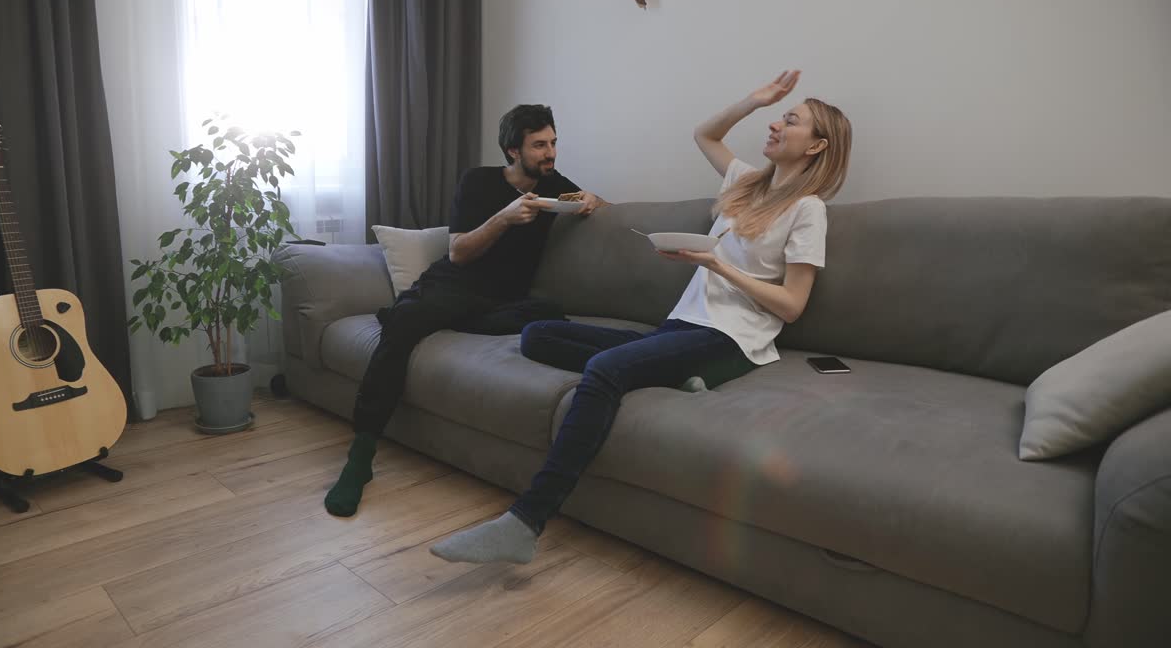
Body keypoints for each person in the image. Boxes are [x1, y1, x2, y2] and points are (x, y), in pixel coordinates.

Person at [429, 69, 851, 564]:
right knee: (537, 334)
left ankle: (524, 522)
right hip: (683, 326)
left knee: (605, 370)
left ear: (816, 146)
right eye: (779, 116)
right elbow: (705, 134)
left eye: (791, 120)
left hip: (731, 337)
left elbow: (792, 305)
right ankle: (678, 376)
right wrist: (754, 100)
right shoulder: (746, 183)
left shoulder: (807, 210)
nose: (777, 124)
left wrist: (717, 264)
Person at [324, 104, 607, 517]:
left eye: (553, 143)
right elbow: (458, 252)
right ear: (513, 150)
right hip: (456, 284)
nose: (550, 153)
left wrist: (593, 200)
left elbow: (601, 207)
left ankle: (412, 313)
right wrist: (504, 218)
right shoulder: (478, 181)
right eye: (539, 145)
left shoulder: (554, 186)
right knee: (405, 324)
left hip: (504, 301)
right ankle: (361, 455)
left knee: (548, 315)